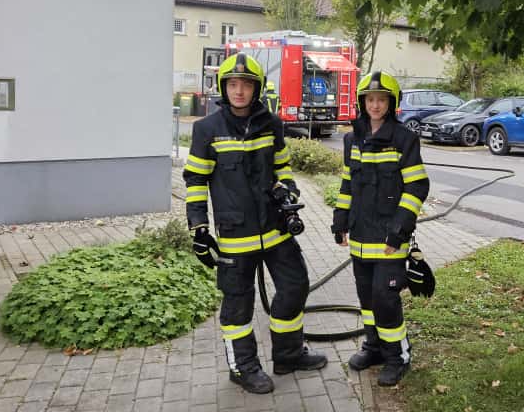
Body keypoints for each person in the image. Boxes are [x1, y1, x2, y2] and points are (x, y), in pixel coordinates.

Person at [184, 52, 328, 394]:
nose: (239, 91)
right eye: (233, 84)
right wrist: (199, 228)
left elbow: (283, 168)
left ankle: (288, 355)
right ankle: (243, 367)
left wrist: (288, 191)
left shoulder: (271, 125)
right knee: (238, 304)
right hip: (236, 235)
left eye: (246, 85)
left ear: (256, 88)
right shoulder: (207, 130)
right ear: (224, 88)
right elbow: (196, 180)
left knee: (295, 286)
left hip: (276, 229)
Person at [332, 71, 430, 386]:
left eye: (381, 100)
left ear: (391, 103)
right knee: (366, 298)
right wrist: (340, 219)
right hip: (361, 236)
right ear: (362, 102)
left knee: (385, 298)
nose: (375, 105)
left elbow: (417, 186)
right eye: (370, 99)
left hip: (390, 239)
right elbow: (348, 183)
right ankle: (373, 347)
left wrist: (399, 230)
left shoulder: (403, 139)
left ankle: (397, 356)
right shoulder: (352, 139)